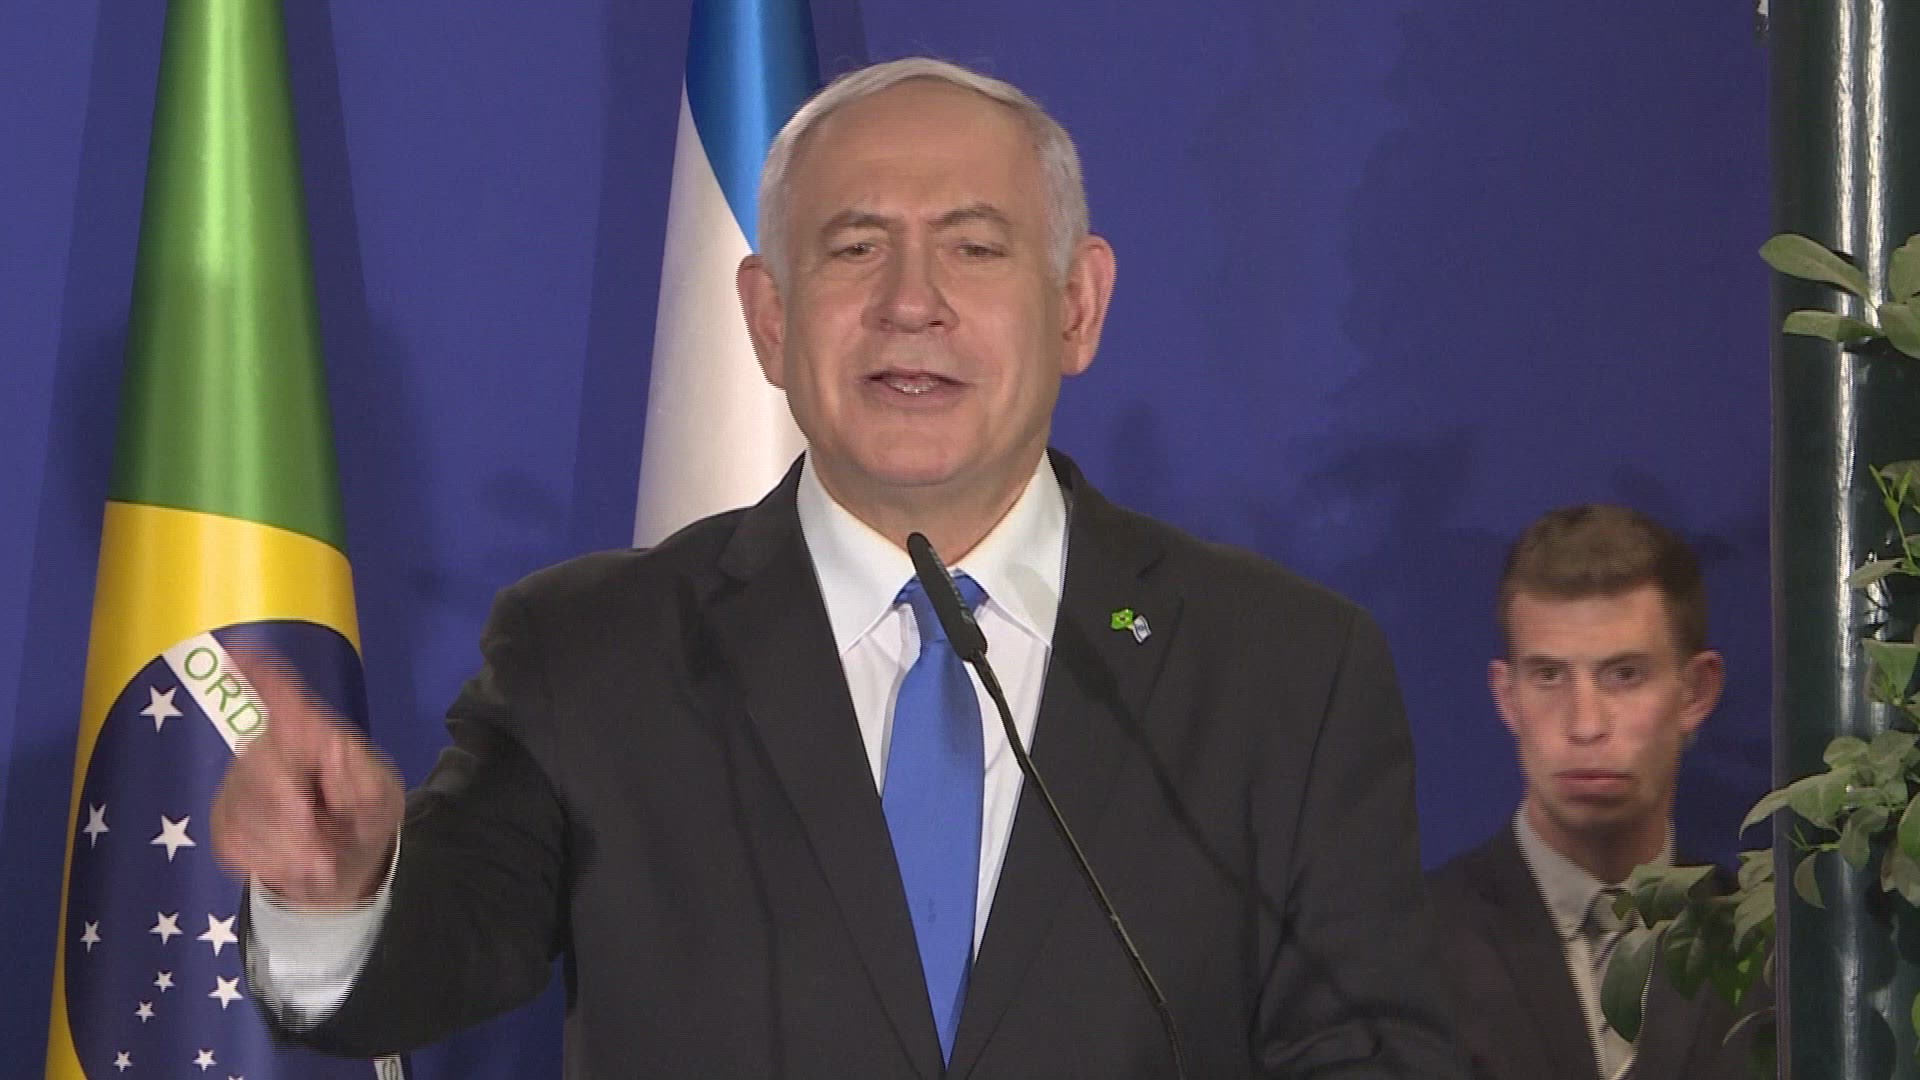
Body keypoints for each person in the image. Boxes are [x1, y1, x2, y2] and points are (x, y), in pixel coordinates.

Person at [214, 57, 1464, 1078]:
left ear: (1078, 306)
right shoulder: (592, 653)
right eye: (855, 249)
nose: (911, 303)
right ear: (769, 318)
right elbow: (431, 960)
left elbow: (1372, 1052)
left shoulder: (1285, 668)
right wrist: (340, 890)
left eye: (975, 247)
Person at [1425, 505, 1752, 1080]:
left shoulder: (1766, 947)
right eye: (1549, 676)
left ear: (1697, 692)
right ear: (1507, 697)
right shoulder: (1409, 942)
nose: (1585, 724)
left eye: (1624, 675)